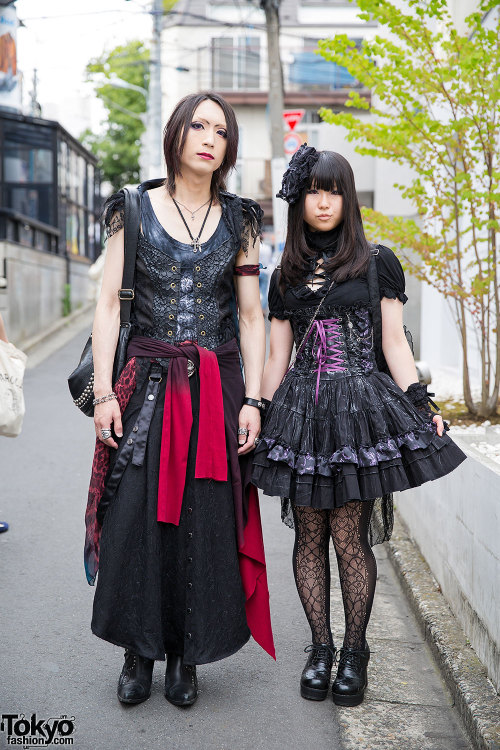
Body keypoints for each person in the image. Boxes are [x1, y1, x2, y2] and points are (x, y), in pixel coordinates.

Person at [252, 146, 466, 707]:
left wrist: (421, 403)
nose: (323, 202)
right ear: (299, 200)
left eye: (334, 190)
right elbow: (278, 357)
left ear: (347, 197)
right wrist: (261, 412)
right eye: (313, 191)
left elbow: (394, 343)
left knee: (350, 534)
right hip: (302, 411)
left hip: (357, 413)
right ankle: (320, 648)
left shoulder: (377, 262)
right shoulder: (285, 275)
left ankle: (355, 651)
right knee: (308, 536)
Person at [85, 92, 275, 708]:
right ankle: (137, 653)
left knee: (204, 517)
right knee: (135, 514)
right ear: (176, 133)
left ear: (229, 147)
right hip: (144, 384)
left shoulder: (242, 219)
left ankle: (186, 657)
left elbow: (251, 314)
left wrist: (253, 399)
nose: (209, 137)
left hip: (215, 385)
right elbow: (110, 302)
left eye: (221, 130)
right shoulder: (133, 209)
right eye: (198, 124)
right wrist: (103, 394)